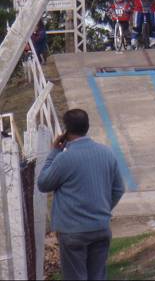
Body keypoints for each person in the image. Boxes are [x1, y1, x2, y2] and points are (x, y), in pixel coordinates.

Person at [37, 109, 124, 281]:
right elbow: (118, 189)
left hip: (73, 231)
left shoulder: (64, 159)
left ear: (66, 130)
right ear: (87, 126)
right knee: (98, 275)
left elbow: (43, 183)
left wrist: (54, 152)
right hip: (100, 226)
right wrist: (103, 209)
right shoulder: (107, 153)